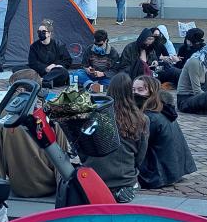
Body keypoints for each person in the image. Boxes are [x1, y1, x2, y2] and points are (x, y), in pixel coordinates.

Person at [0, 69, 63, 198]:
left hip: (18, 187)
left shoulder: (2, 117)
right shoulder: (50, 115)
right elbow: (61, 160)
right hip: (49, 186)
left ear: (19, 91)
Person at [83, 73, 148, 202]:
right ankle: (124, 188)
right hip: (124, 176)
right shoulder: (142, 118)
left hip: (94, 175)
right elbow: (141, 155)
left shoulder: (94, 115)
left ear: (109, 89)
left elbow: (83, 150)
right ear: (130, 92)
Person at [133, 75, 197, 189]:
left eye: (140, 90)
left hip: (158, 173)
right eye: (133, 90)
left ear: (152, 92)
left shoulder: (150, 117)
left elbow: (136, 147)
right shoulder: (164, 110)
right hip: (175, 169)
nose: (135, 93)